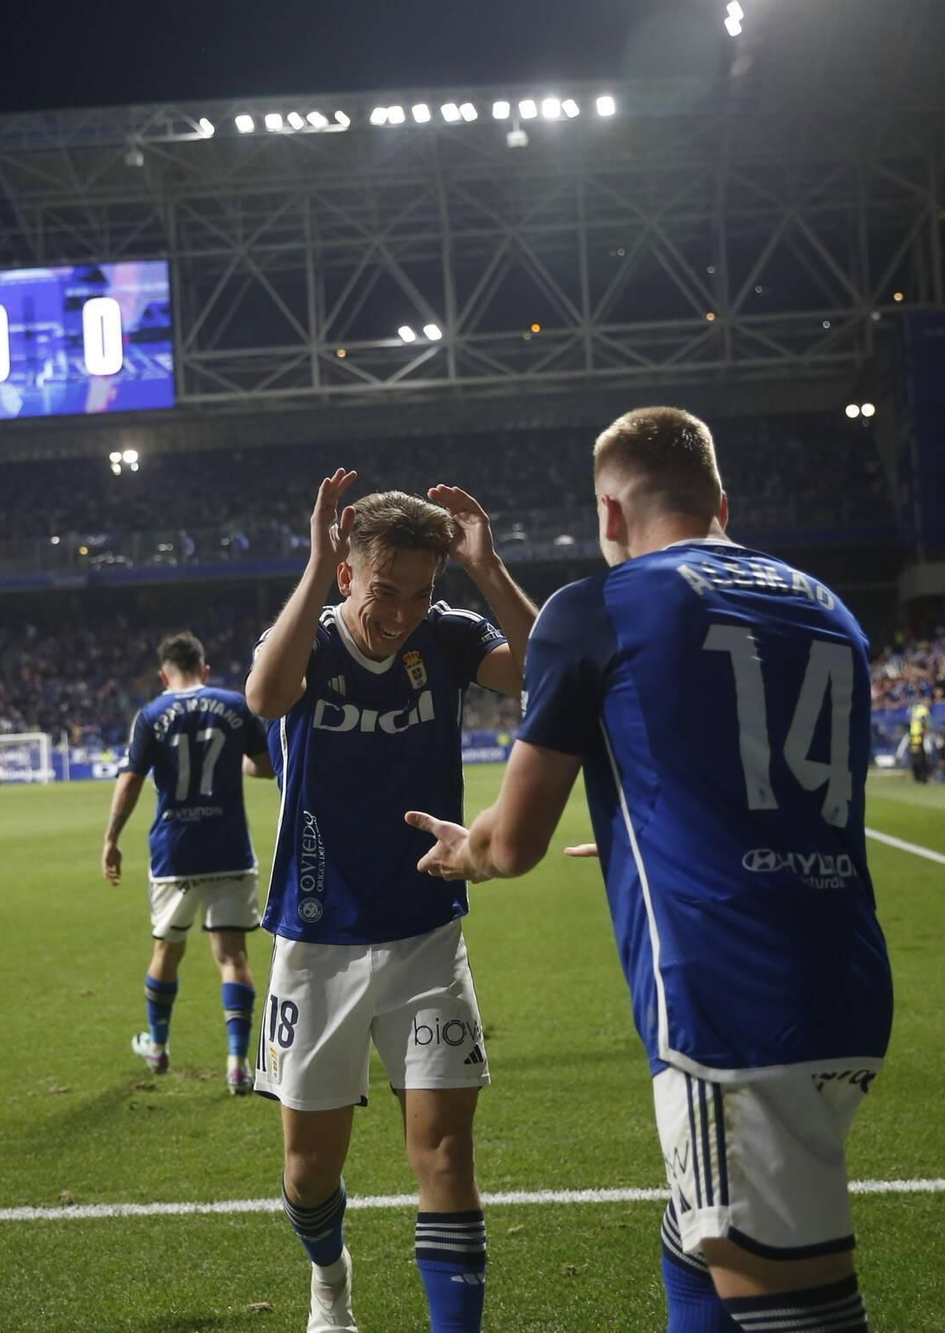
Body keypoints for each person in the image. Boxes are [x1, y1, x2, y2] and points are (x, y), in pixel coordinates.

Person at [405, 407, 889, 1333]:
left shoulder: (601, 606)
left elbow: (514, 841)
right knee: (693, 1243)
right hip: (850, 982)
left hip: (729, 1005)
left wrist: (466, 849)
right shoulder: (827, 605)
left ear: (611, 515)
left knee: (802, 1308)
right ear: (720, 501)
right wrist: (653, 834)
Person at [246, 472, 534, 1333]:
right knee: (307, 1173)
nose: (403, 609)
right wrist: (313, 559)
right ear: (346, 575)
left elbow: (539, 670)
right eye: (385, 589)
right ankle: (329, 1275)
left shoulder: (448, 635)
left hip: (424, 934)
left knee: (445, 1152)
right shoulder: (308, 640)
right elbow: (264, 698)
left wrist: (487, 570)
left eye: (421, 590)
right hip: (317, 934)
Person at [102, 631, 274, 1095]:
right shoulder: (233, 704)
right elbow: (268, 765)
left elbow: (131, 781)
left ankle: (157, 1048)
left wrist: (112, 837)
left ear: (164, 675)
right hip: (230, 849)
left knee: (167, 952)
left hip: (175, 853)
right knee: (233, 956)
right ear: (206, 668)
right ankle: (238, 1062)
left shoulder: (152, 714)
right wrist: (240, 765)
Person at [906, 701, 932, 783]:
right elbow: (924, 722)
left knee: (915, 756)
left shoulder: (914, 709)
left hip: (913, 735)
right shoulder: (924, 710)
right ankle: (922, 777)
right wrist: (925, 731)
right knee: (921, 757)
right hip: (919, 736)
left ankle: (917, 777)